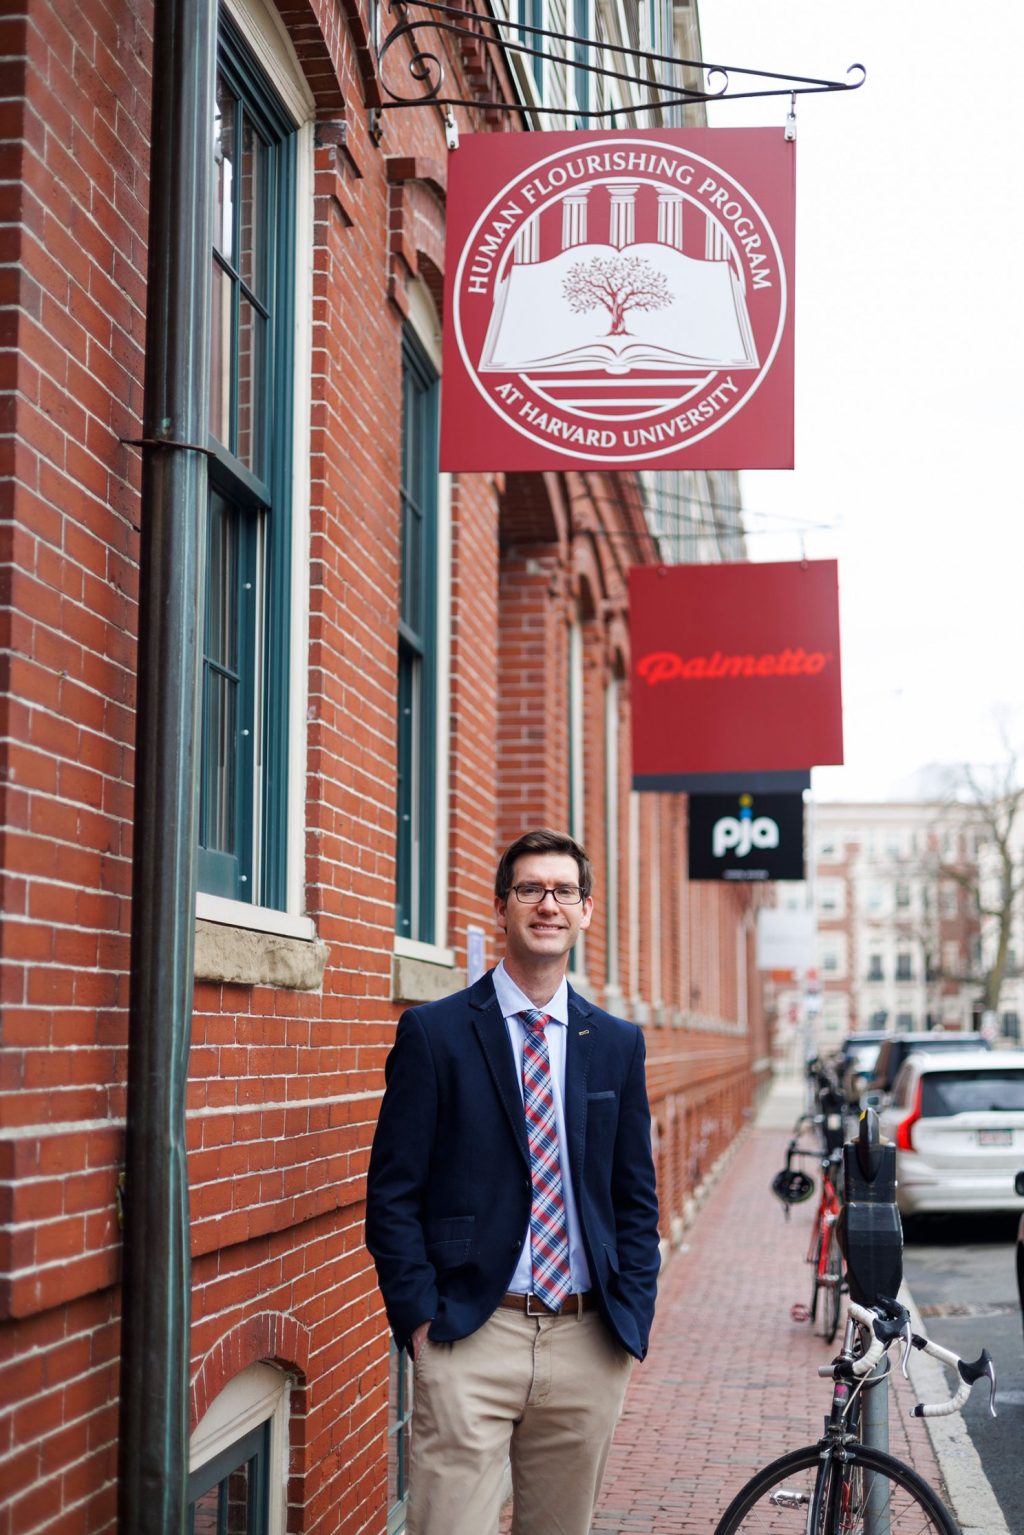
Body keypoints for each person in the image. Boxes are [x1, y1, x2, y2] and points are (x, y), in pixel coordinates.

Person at [366, 828, 661, 1535]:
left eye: (564, 891)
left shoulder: (616, 1044)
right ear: (502, 906)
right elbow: (393, 1193)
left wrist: (631, 1315)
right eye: (530, 888)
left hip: (587, 1339)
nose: (548, 904)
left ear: (586, 911)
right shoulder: (435, 1034)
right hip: (471, 1335)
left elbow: (634, 1198)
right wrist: (420, 1322)